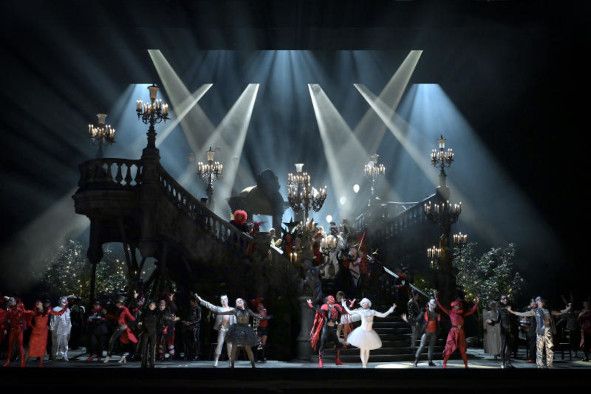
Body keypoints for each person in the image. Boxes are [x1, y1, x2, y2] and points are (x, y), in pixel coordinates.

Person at [197, 294, 265, 368]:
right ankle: (216, 361)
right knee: (219, 345)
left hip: (230, 330)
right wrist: (200, 300)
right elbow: (209, 305)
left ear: (227, 300)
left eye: (225, 299)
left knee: (230, 346)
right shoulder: (219, 308)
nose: (223, 301)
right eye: (222, 300)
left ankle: (231, 362)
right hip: (222, 329)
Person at [507, 296, 571, 368]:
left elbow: (559, 313)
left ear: (543, 302)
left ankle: (549, 364)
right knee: (539, 348)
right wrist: (511, 311)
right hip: (540, 331)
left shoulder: (548, 310)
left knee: (549, 348)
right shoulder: (535, 311)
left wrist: (568, 308)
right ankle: (540, 364)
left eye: (540, 301)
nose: (539, 302)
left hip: (548, 331)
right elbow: (522, 313)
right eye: (538, 301)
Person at [340, 298, 396, 368]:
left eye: (365, 303)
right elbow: (350, 312)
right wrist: (344, 305)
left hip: (370, 332)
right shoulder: (360, 311)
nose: (364, 304)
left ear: (368, 303)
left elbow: (383, 315)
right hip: (362, 332)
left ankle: (365, 364)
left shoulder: (372, 311)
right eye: (362, 303)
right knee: (363, 349)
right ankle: (364, 365)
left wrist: (390, 310)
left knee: (367, 349)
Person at [435, 291, 479, 368]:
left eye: (458, 305)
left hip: (461, 332)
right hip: (453, 332)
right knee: (449, 347)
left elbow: (472, 311)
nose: (458, 306)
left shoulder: (462, 313)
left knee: (462, 350)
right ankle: (444, 364)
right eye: (456, 305)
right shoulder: (450, 312)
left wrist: (476, 303)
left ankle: (466, 365)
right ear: (454, 306)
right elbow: (442, 308)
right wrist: (437, 300)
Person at [308, 295, 345, 368]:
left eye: (333, 298)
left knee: (338, 344)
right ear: (327, 300)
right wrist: (311, 305)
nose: (333, 298)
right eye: (331, 298)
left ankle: (337, 360)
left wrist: (347, 305)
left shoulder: (336, 306)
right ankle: (320, 361)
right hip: (326, 328)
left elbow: (343, 311)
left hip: (332, 329)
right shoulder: (325, 306)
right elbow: (318, 311)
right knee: (322, 344)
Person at [26, 300, 66, 367]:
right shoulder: (34, 312)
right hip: (35, 332)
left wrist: (65, 308)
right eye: (36, 304)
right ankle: (24, 363)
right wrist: (34, 328)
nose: (37, 304)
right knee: (30, 347)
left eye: (39, 303)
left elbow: (58, 313)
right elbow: (29, 322)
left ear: (42, 304)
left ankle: (41, 364)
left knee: (42, 348)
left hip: (43, 333)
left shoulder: (48, 311)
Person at [103, 297, 138, 364]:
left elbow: (132, 318)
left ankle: (109, 355)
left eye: (118, 303)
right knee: (121, 343)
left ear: (121, 303)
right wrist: (106, 314)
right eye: (117, 303)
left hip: (123, 327)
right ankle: (123, 357)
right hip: (118, 327)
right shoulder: (118, 309)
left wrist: (126, 325)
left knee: (112, 340)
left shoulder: (125, 309)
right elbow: (116, 318)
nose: (116, 304)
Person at [3, 298, 34, 367]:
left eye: (12, 301)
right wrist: (5, 328)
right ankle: (8, 361)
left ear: (15, 301)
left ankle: (22, 361)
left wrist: (30, 313)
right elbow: (6, 320)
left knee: (20, 345)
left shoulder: (20, 308)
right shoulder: (9, 310)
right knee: (10, 345)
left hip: (19, 330)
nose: (11, 302)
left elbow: (28, 313)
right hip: (12, 329)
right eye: (10, 301)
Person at [488, 295, 517, 368]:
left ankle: (508, 362)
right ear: (501, 300)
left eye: (506, 298)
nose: (505, 300)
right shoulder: (499, 309)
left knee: (510, 347)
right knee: (503, 347)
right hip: (504, 330)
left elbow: (514, 318)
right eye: (503, 299)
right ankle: (503, 362)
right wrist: (491, 322)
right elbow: (498, 320)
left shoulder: (511, 307)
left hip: (511, 330)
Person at [414, 298, 441, 367]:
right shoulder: (424, 312)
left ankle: (430, 361)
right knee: (422, 346)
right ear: (429, 303)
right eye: (431, 304)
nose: (432, 305)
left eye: (434, 304)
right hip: (426, 332)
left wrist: (439, 322)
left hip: (433, 333)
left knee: (431, 347)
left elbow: (438, 325)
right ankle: (416, 361)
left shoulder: (437, 314)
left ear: (435, 305)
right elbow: (417, 320)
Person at [138, 301, 160, 368]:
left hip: (153, 332)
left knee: (152, 349)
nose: (151, 306)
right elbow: (140, 321)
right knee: (144, 348)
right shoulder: (144, 312)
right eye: (150, 305)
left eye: (153, 305)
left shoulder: (157, 313)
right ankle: (143, 363)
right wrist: (140, 324)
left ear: (155, 306)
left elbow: (159, 323)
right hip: (145, 332)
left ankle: (152, 364)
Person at [50, 296, 71, 361]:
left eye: (66, 300)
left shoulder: (68, 310)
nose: (64, 301)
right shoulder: (55, 309)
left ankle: (64, 356)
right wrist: (52, 328)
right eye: (63, 300)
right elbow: (52, 320)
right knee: (56, 343)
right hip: (57, 329)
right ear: (59, 301)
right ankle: (54, 356)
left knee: (64, 343)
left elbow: (69, 321)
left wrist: (69, 329)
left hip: (65, 330)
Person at [181, 296, 202, 361]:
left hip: (195, 327)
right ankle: (189, 353)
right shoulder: (189, 308)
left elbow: (199, 318)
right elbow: (187, 316)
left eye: (191, 302)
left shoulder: (198, 308)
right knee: (187, 340)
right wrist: (185, 321)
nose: (190, 303)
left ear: (194, 302)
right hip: (188, 326)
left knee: (195, 340)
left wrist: (191, 323)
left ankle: (196, 354)